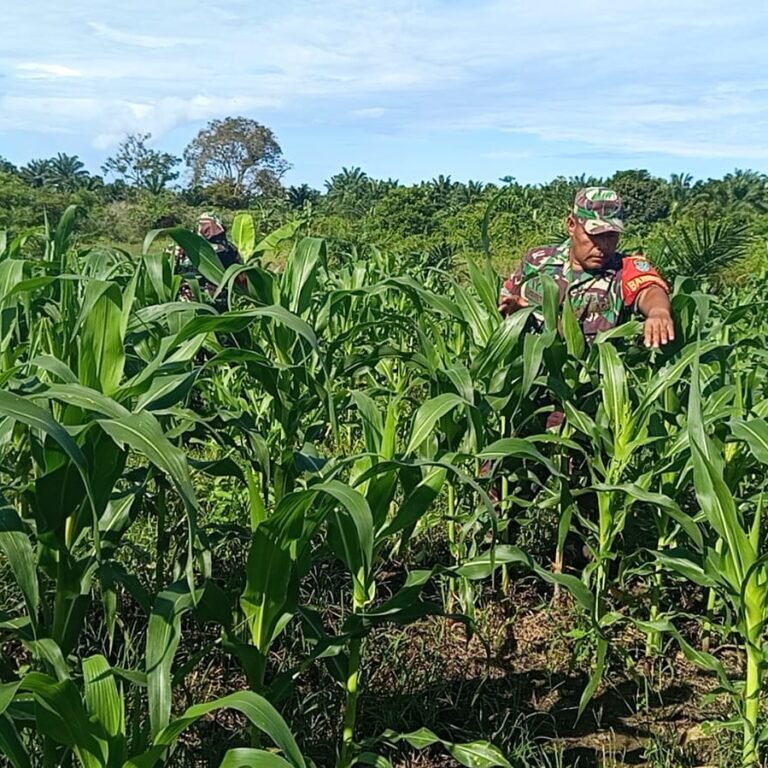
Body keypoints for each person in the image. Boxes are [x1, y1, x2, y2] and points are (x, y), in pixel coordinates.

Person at [498, 187, 674, 348]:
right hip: (534, 372)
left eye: (611, 236)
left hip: (594, 377)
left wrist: (658, 311)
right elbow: (505, 301)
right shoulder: (537, 260)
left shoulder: (624, 268)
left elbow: (650, 290)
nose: (603, 246)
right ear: (571, 225)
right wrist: (517, 313)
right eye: (595, 235)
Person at [174, 212, 245, 307]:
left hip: (189, 302)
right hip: (215, 302)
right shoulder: (229, 249)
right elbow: (241, 280)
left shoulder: (182, 246)